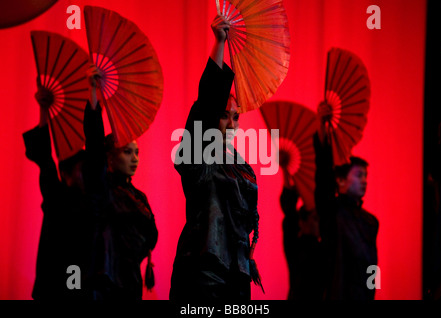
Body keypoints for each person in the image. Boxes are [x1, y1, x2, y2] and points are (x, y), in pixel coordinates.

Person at [169, 14, 262, 301]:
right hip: (203, 273)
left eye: (235, 117)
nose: (231, 124)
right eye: (224, 116)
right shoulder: (197, 157)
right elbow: (206, 106)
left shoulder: (244, 168)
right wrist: (219, 44)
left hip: (238, 275)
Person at [83, 65, 158, 300]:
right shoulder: (102, 189)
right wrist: (94, 95)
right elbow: (94, 145)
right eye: (127, 152)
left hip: (131, 283)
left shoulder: (139, 196)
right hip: (106, 284)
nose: (134, 158)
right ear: (110, 157)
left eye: (136, 152)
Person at [23, 80, 92, 300]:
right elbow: (44, 158)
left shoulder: (94, 200)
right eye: (83, 171)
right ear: (66, 174)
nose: (88, 176)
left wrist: (94, 96)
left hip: (81, 286)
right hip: (53, 285)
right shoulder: (56, 195)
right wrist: (44, 111)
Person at [313, 107, 379, 300]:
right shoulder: (332, 211)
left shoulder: (371, 222)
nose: (365, 180)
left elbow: (372, 266)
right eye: (359, 175)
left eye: (366, 175)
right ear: (340, 181)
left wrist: (372, 294)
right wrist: (322, 129)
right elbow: (323, 177)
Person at [279, 170, 323, 300]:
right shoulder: (295, 245)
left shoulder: (324, 246)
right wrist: (286, 173)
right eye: (315, 218)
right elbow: (289, 213)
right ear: (302, 221)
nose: (318, 224)